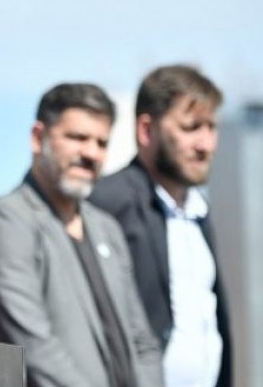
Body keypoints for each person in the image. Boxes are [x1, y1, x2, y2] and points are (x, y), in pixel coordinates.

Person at [0, 83, 163, 387]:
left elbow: (142, 342)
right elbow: (33, 349)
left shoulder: (107, 229)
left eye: (101, 142)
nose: (91, 153)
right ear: (38, 137)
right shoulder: (5, 222)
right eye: (77, 137)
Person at [90, 65, 231, 387]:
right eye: (192, 127)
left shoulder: (199, 212)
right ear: (146, 130)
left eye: (212, 127)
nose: (206, 144)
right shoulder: (107, 204)